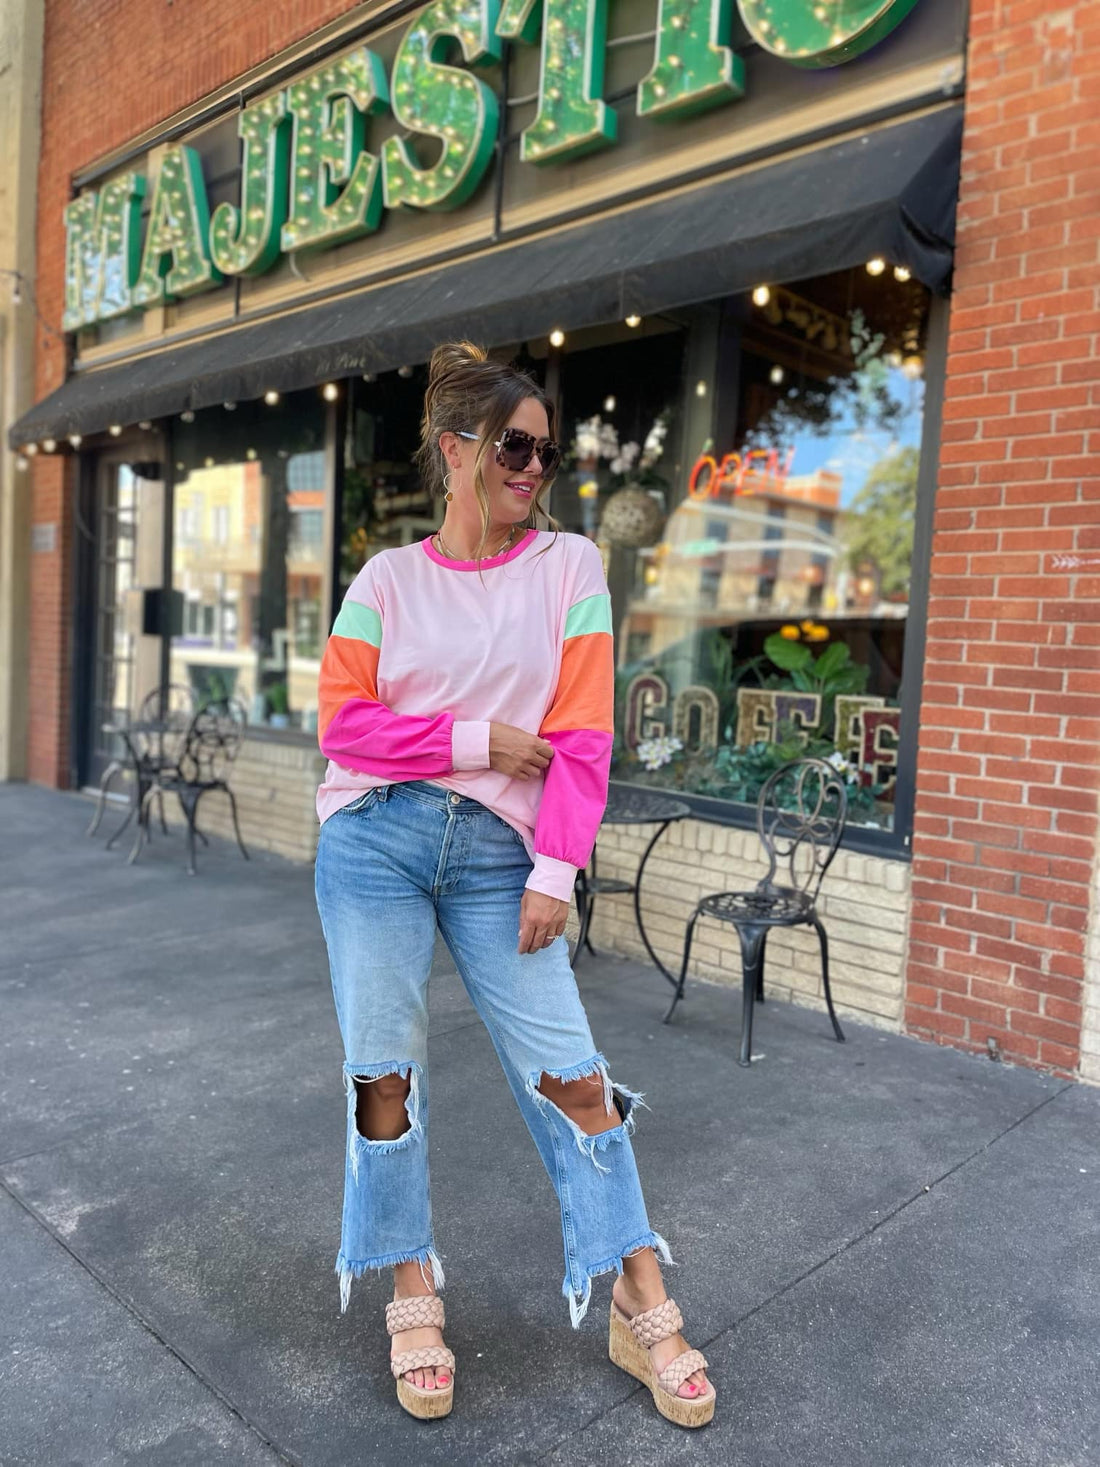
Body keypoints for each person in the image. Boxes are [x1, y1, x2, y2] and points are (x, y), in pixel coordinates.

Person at [313, 342, 714, 1427]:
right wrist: (478, 738)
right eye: (513, 449)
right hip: (374, 842)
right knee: (384, 1077)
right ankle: (410, 1284)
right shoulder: (384, 581)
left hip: (503, 859)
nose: (534, 469)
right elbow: (343, 724)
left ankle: (637, 1296)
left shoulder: (569, 567)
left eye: (546, 452)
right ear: (455, 451)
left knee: (574, 1075)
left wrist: (555, 868)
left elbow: (580, 736)